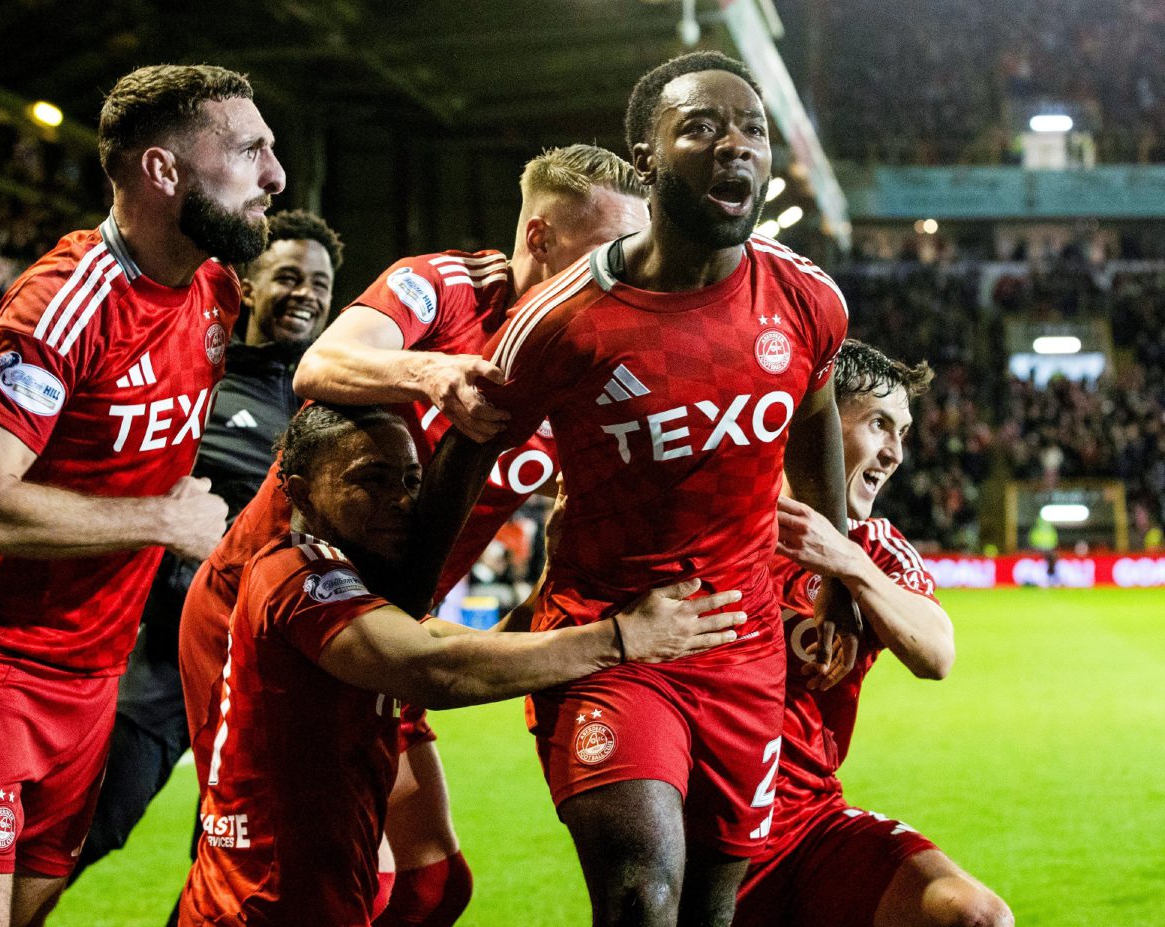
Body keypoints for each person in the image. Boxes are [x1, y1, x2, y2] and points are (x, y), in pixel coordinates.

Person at [401, 51, 858, 927]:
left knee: (711, 910)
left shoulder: (806, 299)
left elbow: (816, 415)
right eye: (701, 128)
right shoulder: (564, 319)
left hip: (743, 648)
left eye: (752, 132)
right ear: (646, 160)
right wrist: (401, 608)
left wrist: (830, 584)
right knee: (641, 894)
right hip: (610, 643)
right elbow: (468, 452)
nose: (735, 148)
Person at [192, 143, 649, 925]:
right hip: (269, 607)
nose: (622, 278)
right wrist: (433, 374)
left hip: (387, 622)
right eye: (607, 253)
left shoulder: (582, 359)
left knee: (434, 882)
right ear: (538, 238)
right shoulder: (445, 285)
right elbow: (323, 364)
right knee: (284, 882)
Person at [0, 63, 283, 927]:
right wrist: (163, 519)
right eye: (250, 149)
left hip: (93, 672)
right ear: (164, 171)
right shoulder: (63, 305)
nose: (274, 174)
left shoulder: (214, 292)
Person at [176, 403, 748, 927]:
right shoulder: (297, 573)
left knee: (434, 886)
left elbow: (467, 646)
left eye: (409, 481)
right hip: (261, 906)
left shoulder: (350, 586)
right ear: (300, 491)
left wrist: (555, 581)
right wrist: (623, 638)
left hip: (298, 897)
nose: (398, 500)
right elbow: (432, 669)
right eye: (369, 480)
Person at [68, 209, 343, 884]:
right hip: (163, 647)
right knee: (86, 827)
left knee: (230, 862)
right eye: (287, 275)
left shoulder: (337, 399)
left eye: (320, 281)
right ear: (247, 283)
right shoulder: (196, 369)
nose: (305, 292)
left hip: (264, 662)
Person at [735, 340, 1014, 927]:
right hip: (690, 832)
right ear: (817, 426)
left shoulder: (872, 549)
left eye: (904, 433)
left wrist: (848, 565)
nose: (894, 454)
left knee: (974, 916)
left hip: (804, 831)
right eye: (879, 424)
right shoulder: (721, 525)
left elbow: (937, 653)